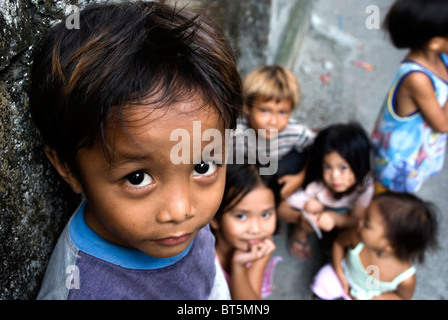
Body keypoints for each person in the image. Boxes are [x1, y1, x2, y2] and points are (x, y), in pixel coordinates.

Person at [30, 1, 243, 300]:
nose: (181, 211)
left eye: (203, 166)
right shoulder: (84, 290)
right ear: (67, 167)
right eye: (138, 177)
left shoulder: (175, 226)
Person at [371, 0, 448, 194]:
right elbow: (442, 124)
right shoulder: (417, 78)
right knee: (388, 214)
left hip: (417, 158)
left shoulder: (441, 58)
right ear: (435, 42)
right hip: (397, 171)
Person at [311, 191, 439, 300]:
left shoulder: (406, 278)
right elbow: (338, 244)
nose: (360, 223)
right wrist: (339, 272)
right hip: (345, 276)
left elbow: (402, 297)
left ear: (391, 245)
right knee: (323, 280)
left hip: (368, 296)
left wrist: (376, 298)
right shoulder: (357, 237)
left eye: (367, 223)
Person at [278, 122, 374, 260]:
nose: (334, 176)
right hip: (316, 208)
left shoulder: (365, 183)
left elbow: (356, 218)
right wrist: (299, 219)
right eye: (327, 167)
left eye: (343, 168)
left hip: (342, 210)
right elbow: (280, 210)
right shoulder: (317, 185)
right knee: (312, 206)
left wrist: (334, 219)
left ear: (359, 164)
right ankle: (299, 231)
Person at [233, 65, 316, 199]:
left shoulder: (294, 132)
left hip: (274, 175)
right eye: (265, 110)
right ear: (246, 107)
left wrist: (300, 177)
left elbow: (319, 147)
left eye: (282, 112)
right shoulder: (234, 129)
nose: (274, 121)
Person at [210, 161, 282, 300]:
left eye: (266, 214)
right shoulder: (202, 258)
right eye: (241, 216)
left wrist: (239, 266)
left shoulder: (262, 247)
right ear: (215, 219)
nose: (256, 229)